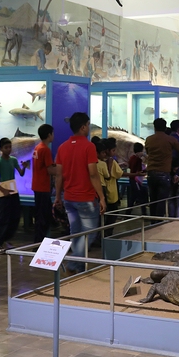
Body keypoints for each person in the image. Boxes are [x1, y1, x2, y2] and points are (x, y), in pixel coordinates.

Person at [54, 112, 106, 274]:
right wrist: (102, 197)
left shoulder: (62, 147)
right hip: (86, 198)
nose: (89, 127)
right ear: (83, 127)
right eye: (88, 125)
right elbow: (93, 174)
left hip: (69, 198)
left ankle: (79, 267)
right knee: (89, 234)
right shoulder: (89, 147)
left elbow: (58, 175)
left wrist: (57, 196)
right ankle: (74, 263)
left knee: (76, 233)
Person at [144, 118, 179, 217]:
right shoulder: (170, 139)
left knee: (153, 199)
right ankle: (159, 222)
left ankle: (152, 221)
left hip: (151, 173)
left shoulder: (149, 139)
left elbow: (148, 152)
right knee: (162, 200)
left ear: (154, 127)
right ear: (165, 128)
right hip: (164, 173)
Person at [0, 137, 27, 254]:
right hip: (4, 193)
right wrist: (3, 189)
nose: (8, 149)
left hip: (13, 191)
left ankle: (6, 240)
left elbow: (21, 173)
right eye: (6, 147)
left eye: (10, 147)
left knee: (15, 216)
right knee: (3, 218)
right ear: (1, 149)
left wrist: (24, 166)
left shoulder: (13, 160)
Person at [31, 125, 55, 243]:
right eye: (52, 133)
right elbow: (50, 170)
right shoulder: (45, 149)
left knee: (42, 215)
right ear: (49, 135)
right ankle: (39, 243)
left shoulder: (37, 147)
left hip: (37, 186)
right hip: (43, 187)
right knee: (43, 217)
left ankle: (39, 242)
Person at [97, 138, 123, 226]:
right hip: (110, 193)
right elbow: (115, 175)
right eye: (113, 150)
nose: (114, 152)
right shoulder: (108, 162)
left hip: (99, 191)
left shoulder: (96, 163)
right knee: (111, 215)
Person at [125, 143, 147, 215]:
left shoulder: (132, 157)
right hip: (136, 180)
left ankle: (127, 213)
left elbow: (130, 167)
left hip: (132, 179)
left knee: (133, 197)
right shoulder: (138, 160)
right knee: (141, 197)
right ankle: (144, 213)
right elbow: (139, 171)